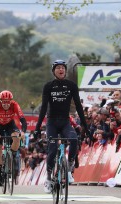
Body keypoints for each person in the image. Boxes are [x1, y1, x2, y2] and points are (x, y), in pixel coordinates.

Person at [34, 59, 91, 193]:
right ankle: (48, 178)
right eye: (58, 68)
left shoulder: (71, 85)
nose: (61, 70)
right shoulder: (48, 86)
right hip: (52, 122)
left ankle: (70, 168)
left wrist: (85, 126)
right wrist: (37, 128)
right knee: (52, 149)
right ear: (54, 71)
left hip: (65, 121)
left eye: (63, 68)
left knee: (73, 140)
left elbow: (78, 106)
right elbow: (43, 109)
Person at [0, 90, 27, 187]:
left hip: (10, 125)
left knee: (16, 137)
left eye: (8, 102)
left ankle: (12, 155)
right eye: (4, 102)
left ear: (11, 101)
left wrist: (23, 132)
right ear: (0, 101)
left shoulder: (15, 105)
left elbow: (23, 120)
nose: (6, 104)